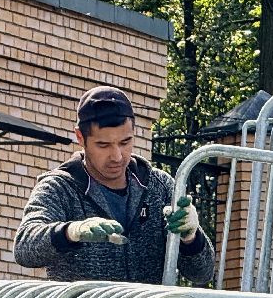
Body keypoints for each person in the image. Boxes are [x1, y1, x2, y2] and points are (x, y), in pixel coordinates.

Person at [14, 86, 215, 285]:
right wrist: (71, 231)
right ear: (80, 138)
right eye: (103, 145)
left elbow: (202, 273)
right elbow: (25, 247)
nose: (117, 156)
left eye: (125, 142)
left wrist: (191, 237)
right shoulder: (59, 187)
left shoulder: (160, 186)